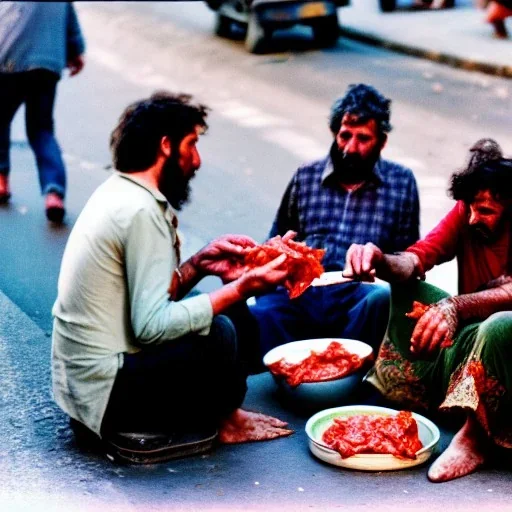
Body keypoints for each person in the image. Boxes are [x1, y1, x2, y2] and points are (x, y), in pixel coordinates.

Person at [51, 92, 293, 455]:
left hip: (88, 388)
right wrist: (243, 287)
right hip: (106, 397)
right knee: (220, 329)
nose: (196, 161)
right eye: (191, 145)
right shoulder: (140, 212)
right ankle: (228, 420)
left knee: (213, 310)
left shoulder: (121, 193)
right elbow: (150, 326)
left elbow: (146, 299)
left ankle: (224, 411)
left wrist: (198, 265)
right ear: (166, 146)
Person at [344, 147, 512, 483]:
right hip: (473, 338)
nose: (472, 220)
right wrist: (380, 261)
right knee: (401, 294)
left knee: (500, 324)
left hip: (504, 350)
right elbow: (417, 259)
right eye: (471, 210)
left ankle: (476, 437)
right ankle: (434, 398)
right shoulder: (468, 211)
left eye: (486, 212)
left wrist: (455, 306)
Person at [249, 84, 420, 367]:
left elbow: (408, 260)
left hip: (359, 291)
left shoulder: (402, 183)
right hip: (304, 289)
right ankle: (284, 385)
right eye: (345, 136)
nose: (351, 148)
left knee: (380, 300)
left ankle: (345, 380)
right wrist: (280, 253)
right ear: (334, 133)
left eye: (363, 138)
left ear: (382, 142)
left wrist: (380, 262)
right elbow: (276, 238)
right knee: (263, 310)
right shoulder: (306, 176)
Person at [0, 2, 85, 222]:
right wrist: (76, 52)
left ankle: (1, 179)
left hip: (11, 59)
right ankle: (54, 193)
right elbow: (71, 24)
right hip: (48, 63)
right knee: (41, 130)